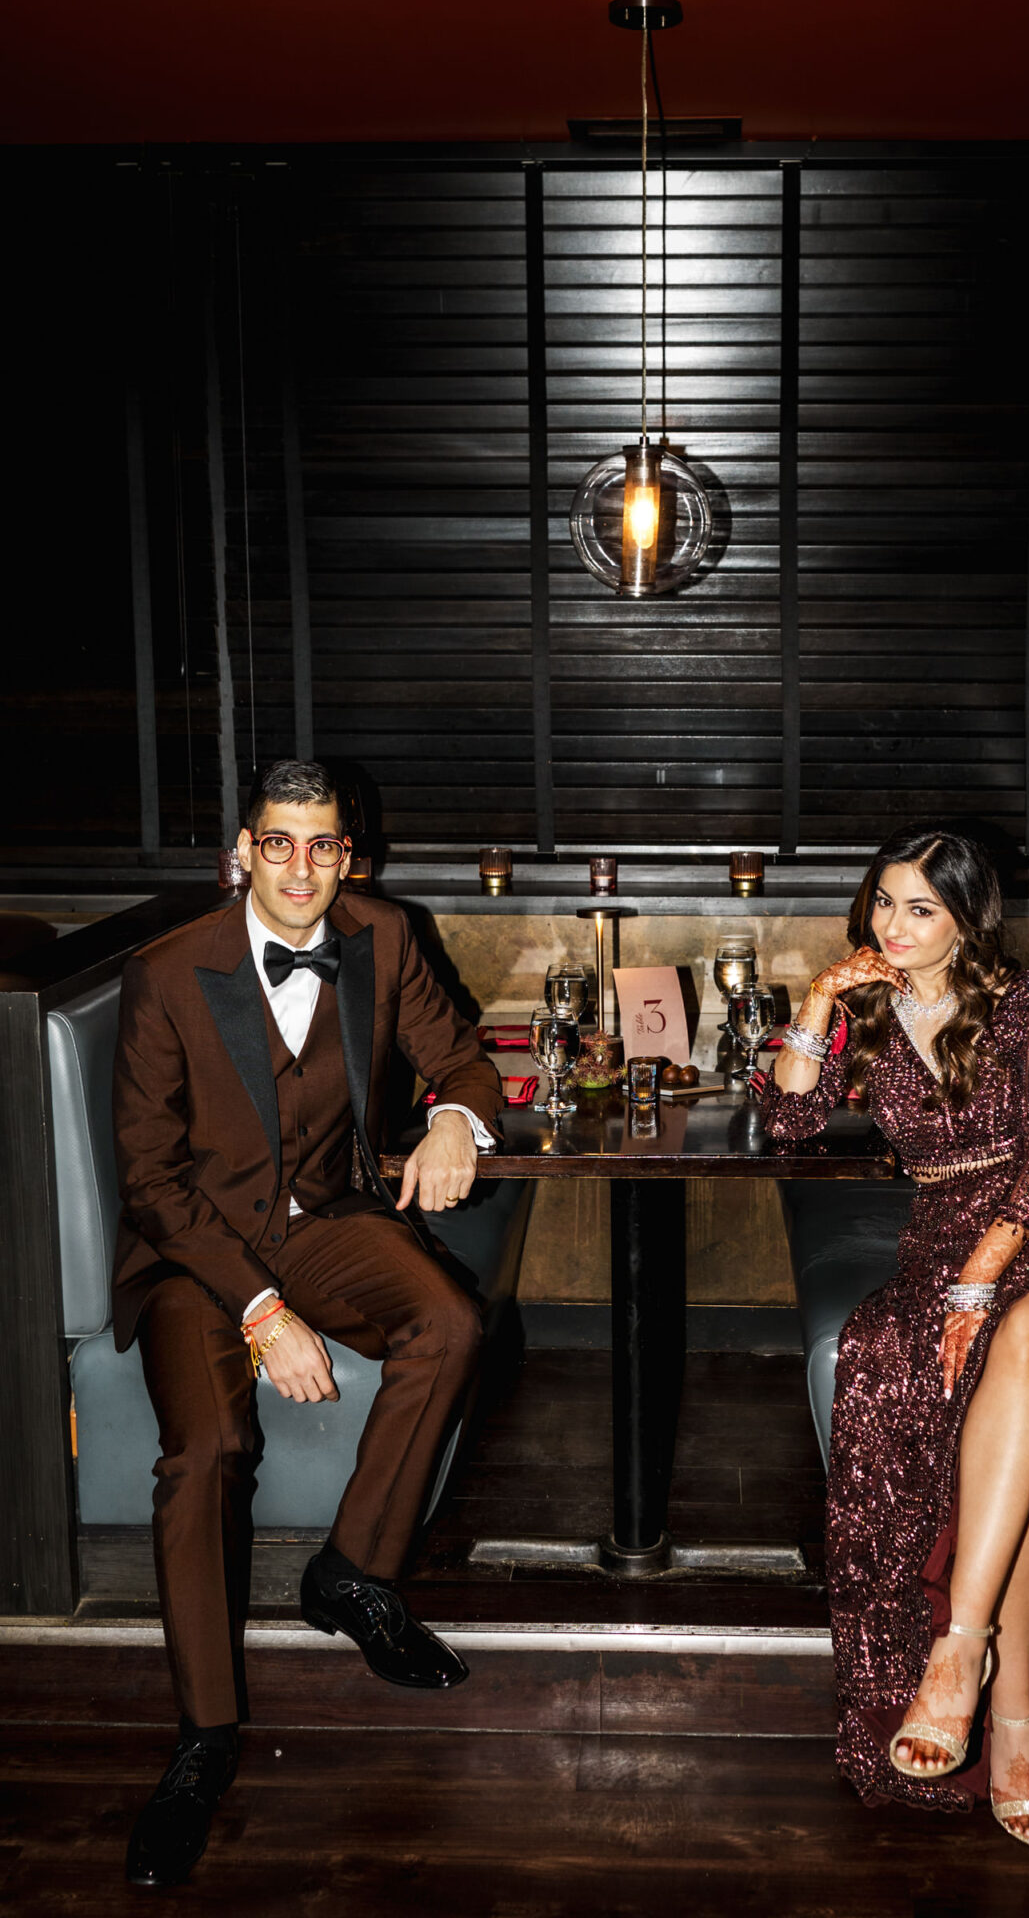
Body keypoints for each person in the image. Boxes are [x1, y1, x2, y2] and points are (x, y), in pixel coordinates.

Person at [112, 759, 503, 1888]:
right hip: (196, 1252)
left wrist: (456, 1121)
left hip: (326, 1218)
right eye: (278, 843)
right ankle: (203, 1741)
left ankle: (351, 1573)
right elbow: (150, 1180)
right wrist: (259, 1307)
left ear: (349, 856)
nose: (300, 868)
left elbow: (462, 1053)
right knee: (206, 1454)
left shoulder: (384, 933)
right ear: (243, 849)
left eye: (323, 846)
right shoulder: (168, 970)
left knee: (448, 1319)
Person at [761, 826, 1029, 1849]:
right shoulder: (866, 1007)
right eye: (883, 904)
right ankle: (1013, 1728)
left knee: (1017, 1333)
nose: (894, 928)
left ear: (965, 920)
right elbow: (787, 1127)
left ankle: (959, 1651)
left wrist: (972, 1287)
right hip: (945, 1232)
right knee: (1011, 1396)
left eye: (921, 910)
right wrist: (816, 1005)